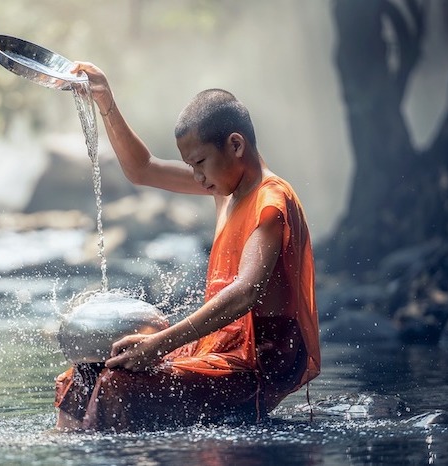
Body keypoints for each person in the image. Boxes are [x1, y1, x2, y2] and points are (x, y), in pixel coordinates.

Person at [54, 62, 321, 432]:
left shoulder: (270, 199)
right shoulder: (224, 185)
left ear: (236, 145)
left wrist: (160, 344)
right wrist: (105, 101)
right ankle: (65, 450)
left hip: (256, 364)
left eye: (199, 163)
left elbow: (246, 292)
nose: (197, 178)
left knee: (117, 384)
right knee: (86, 370)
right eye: (190, 166)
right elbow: (142, 169)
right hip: (217, 348)